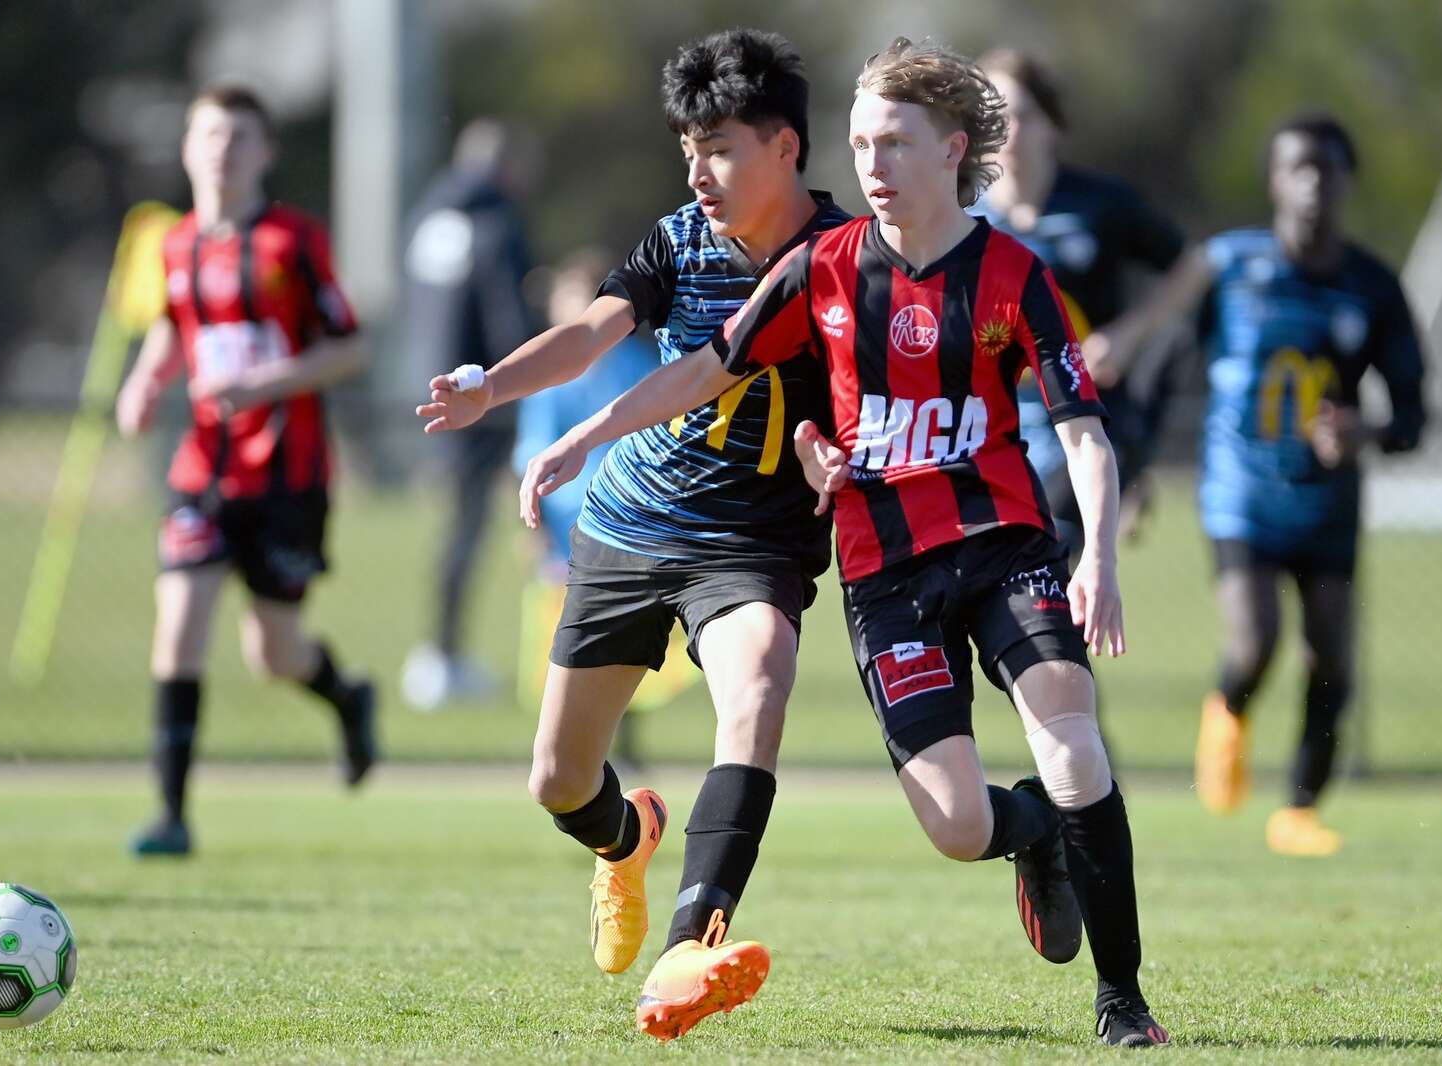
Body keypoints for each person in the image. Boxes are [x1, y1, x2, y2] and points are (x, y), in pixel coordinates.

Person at [523, 38, 1169, 1048]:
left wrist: (1096, 558)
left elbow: (1082, 427)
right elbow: (706, 370)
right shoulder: (820, 269)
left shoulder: (1012, 273)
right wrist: (582, 433)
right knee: (957, 825)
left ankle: (1122, 1001)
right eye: (863, 141)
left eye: (896, 142)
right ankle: (1031, 831)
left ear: (951, 149)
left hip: (1004, 545)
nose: (873, 163)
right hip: (888, 573)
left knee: (1072, 741)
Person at [417, 29, 852, 1040]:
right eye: (688, 147)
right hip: (630, 522)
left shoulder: (841, 257)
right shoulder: (676, 239)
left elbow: (858, 383)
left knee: (758, 683)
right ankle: (629, 836)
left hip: (750, 540)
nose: (698, 170)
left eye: (721, 147)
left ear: (785, 146)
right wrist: (490, 384)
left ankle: (692, 943)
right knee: (558, 780)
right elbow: (586, 335)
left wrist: (833, 448)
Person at [1082, 112, 1428, 856]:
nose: (1312, 185)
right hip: (1239, 489)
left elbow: (1413, 416)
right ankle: (1225, 711)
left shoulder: (1372, 287)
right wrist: (1133, 466)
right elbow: (1166, 356)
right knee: (1257, 637)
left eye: (1326, 169)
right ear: (1273, 180)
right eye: (1296, 168)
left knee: (1332, 656)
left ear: (1345, 182)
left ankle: (1299, 808)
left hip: (1327, 501)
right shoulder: (1228, 265)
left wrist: (1362, 431)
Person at [115, 85, 377, 857]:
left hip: (287, 477)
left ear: (265, 151)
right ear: (188, 147)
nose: (221, 149)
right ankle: (171, 815)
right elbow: (175, 325)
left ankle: (346, 696)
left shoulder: (292, 241)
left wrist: (261, 385)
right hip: (201, 472)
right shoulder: (173, 245)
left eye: (239, 136)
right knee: (179, 632)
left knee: (275, 655)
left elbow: (350, 347)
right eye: (208, 134)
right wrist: (143, 379)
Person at [973, 49, 1185, 553]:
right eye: (995, 118)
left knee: (1046, 564)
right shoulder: (960, 219)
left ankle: (1127, 477)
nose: (1011, 131)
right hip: (995, 431)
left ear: (1054, 127)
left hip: (1085, 421)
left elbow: (1191, 264)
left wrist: (1128, 335)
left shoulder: (1100, 205)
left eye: (1023, 115)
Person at [509, 250, 685, 765]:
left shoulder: (639, 367)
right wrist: (535, 529)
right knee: (568, 643)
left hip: (631, 521)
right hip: (568, 531)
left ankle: (621, 744)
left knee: (631, 640)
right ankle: (571, 753)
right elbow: (531, 456)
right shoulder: (546, 381)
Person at [398, 119, 543, 710]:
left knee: (458, 530)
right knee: (507, 528)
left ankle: (441, 654)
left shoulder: (428, 219)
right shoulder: (494, 225)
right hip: (485, 399)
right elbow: (509, 320)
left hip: (426, 390)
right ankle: (446, 657)